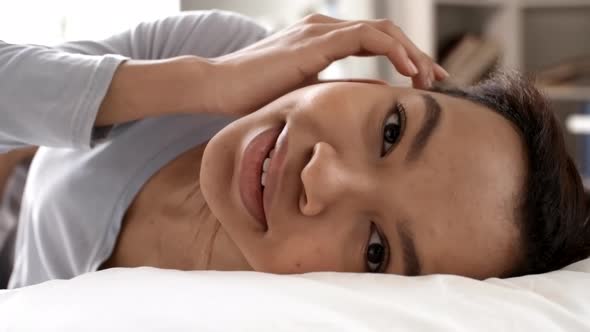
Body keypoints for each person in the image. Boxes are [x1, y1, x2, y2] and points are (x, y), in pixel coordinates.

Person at [0, 10, 588, 289]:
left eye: (377, 250)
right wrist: (208, 80)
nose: (322, 177)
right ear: (380, 80)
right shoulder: (224, 49)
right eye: (391, 132)